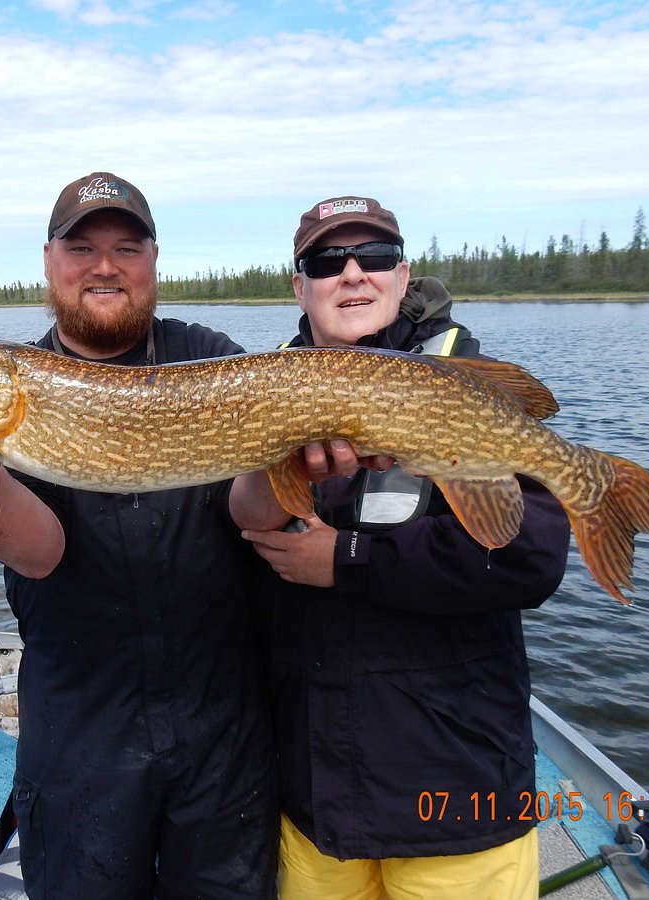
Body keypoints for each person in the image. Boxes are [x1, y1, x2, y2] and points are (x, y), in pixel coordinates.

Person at [0, 172, 277, 899]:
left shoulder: (209, 355)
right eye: (82, 248)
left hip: (221, 721)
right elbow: (39, 553)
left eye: (126, 248)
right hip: (81, 727)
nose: (104, 265)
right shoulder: (13, 393)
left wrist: (297, 461)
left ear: (152, 261)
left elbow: (257, 513)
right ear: (48, 262)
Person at [230, 197, 572, 899]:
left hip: (454, 795)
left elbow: (529, 554)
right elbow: (233, 546)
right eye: (328, 262)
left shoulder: (462, 376)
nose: (352, 274)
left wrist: (348, 563)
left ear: (402, 273)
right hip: (317, 797)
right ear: (300, 286)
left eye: (374, 257)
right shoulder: (262, 388)